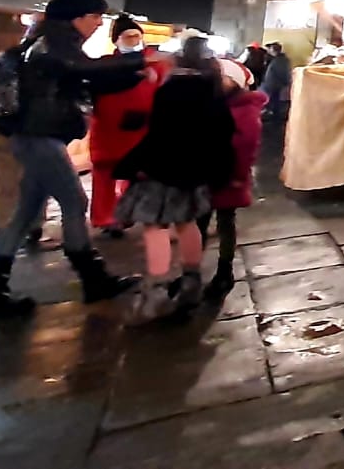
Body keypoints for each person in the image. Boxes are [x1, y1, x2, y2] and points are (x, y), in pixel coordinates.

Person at [0, 0, 143, 322]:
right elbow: (78, 69)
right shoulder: (55, 42)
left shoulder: (47, 41)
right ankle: (93, 278)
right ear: (78, 16)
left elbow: (83, 80)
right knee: (75, 202)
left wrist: (134, 73)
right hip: (38, 138)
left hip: (36, 137)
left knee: (25, 214)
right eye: (96, 17)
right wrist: (140, 60)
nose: (99, 24)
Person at [113, 38, 236, 321]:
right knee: (186, 222)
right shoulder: (213, 87)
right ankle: (191, 282)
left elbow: (160, 133)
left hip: (164, 168)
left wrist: (138, 164)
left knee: (155, 226)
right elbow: (223, 130)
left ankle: (156, 289)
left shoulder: (172, 88)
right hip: (196, 170)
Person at [88, 17, 172, 236]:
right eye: (128, 37)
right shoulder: (105, 64)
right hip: (108, 128)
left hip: (144, 128)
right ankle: (105, 218)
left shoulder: (156, 65)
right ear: (116, 40)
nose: (133, 40)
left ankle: (126, 213)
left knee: (137, 174)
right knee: (105, 174)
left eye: (137, 36)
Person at [199, 59, 267, 303]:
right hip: (208, 173)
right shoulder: (216, 102)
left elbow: (246, 147)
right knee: (199, 223)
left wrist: (238, 177)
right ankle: (192, 270)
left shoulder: (245, 109)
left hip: (229, 176)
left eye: (223, 78)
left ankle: (224, 271)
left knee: (225, 223)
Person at [259, 42, 292, 120]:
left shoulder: (279, 60)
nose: (269, 51)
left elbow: (282, 73)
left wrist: (286, 82)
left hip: (274, 84)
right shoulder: (279, 59)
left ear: (273, 50)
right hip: (274, 84)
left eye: (270, 49)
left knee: (273, 100)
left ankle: (274, 116)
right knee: (274, 99)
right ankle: (274, 114)